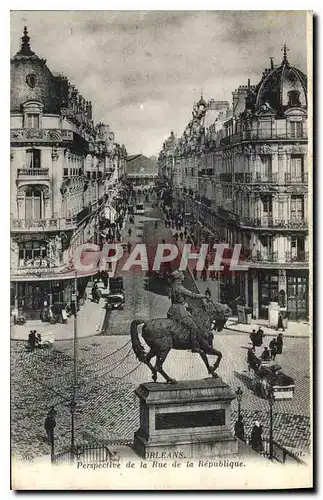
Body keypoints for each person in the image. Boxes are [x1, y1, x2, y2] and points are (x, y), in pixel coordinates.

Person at [168, 270, 208, 353]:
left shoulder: (172, 286)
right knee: (193, 326)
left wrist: (183, 302)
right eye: (182, 275)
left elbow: (175, 298)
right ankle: (194, 347)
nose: (184, 277)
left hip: (172, 310)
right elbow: (193, 295)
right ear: (179, 278)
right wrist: (205, 296)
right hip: (180, 311)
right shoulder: (180, 288)